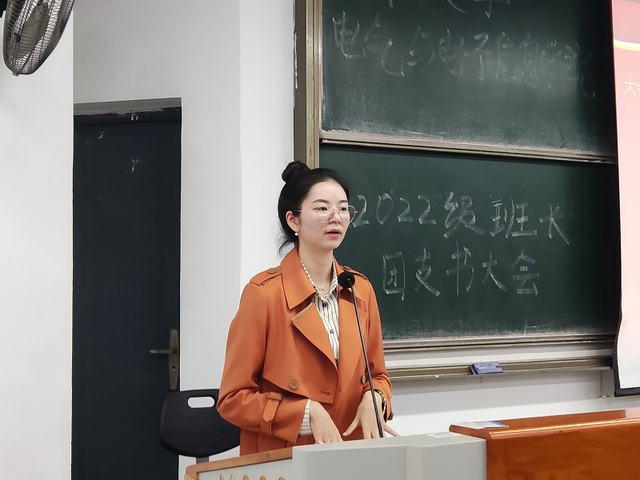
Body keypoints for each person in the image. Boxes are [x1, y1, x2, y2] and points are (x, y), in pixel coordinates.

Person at [218, 160, 397, 454]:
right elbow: (232, 399)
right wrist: (303, 413)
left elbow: (377, 375)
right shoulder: (264, 294)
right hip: (286, 457)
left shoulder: (359, 289)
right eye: (322, 208)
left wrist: (375, 397)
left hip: (353, 453)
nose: (336, 217)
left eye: (343, 208)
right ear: (293, 220)